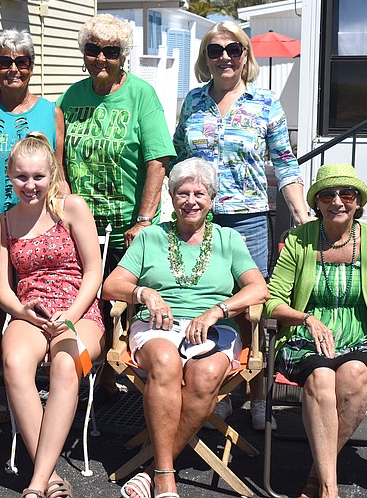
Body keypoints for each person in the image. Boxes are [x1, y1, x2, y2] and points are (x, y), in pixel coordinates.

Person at [173, 20, 312, 429]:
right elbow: (182, 160)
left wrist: (303, 216)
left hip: (248, 218)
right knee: (203, 299)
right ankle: (214, 393)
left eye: (233, 50)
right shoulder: (193, 102)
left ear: (245, 55)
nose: (224, 58)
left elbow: (285, 164)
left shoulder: (265, 102)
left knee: (250, 306)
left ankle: (257, 397)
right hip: (200, 217)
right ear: (206, 58)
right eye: (215, 51)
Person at [102, 158, 268, 498]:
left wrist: (217, 311)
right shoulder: (151, 237)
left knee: (206, 374)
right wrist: (144, 292)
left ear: (212, 198)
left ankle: (150, 470)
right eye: (182, 193)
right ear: (171, 196)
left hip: (213, 329)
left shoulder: (228, 239)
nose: (190, 200)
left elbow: (258, 288)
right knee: (165, 360)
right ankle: (164, 476)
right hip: (157, 325)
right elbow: (111, 285)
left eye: (199, 193)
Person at [265, 163, 367, 498]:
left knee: (354, 374)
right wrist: (305, 319)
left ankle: (316, 478)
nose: (337, 201)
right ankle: (329, 489)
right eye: (328, 194)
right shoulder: (299, 241)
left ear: (357, 201)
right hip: (306, 338)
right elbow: (272, 301)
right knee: (322, 377)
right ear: (317, 202)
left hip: (363, 339)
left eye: (347, 194)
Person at [58, 13, 176, 404]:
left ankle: (113, 381)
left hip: (125, 223)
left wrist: (144, 218)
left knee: (119, 303)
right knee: (84, 300)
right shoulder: (71, 97)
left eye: (110, 51)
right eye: (94, 51)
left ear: (122, 55)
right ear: (84, 55)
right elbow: (55, 153)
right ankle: (86, 379)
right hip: (80, 223)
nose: (102, 59)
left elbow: (158, 159)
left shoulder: (141, 95)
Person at [0, 28, 66, 425]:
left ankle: (30, 389)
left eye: (22, 61)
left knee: (28, 308)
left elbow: (58, 168)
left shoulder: (51, 113)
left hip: (34, 227)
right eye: (5, 61)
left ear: (32, 66)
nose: (14, 69)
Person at [0, 134, 104, 498]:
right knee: (13, 363)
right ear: (9, 175)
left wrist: (71, 315)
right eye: (22, 177)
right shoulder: (4, 222)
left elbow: (94, 271)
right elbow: (3, 288)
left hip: (81, 312)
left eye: (38, 177)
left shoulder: (70, 207)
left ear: (52, 175)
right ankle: (53, 475)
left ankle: (37, 482)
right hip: (30, 313)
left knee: (66, 365)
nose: (30, 185)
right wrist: (20, 310)